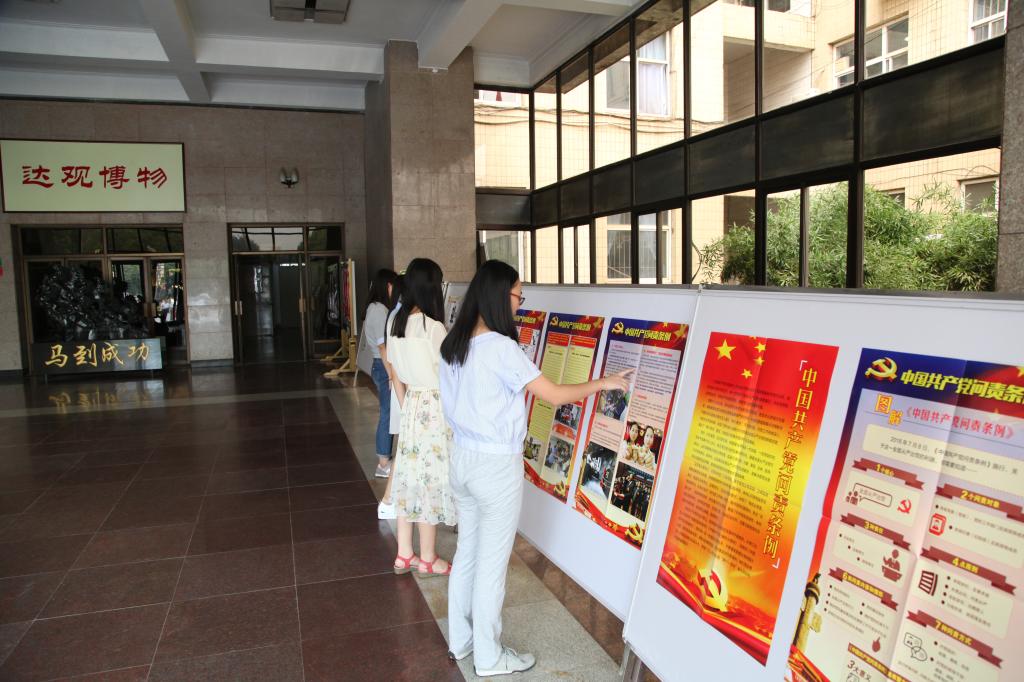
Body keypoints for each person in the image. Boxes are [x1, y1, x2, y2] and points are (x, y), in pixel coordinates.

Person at [439, 259, 631, 677]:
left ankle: (461, 640)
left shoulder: (454, 344)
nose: (519, 303)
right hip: (494, 467)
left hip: (462, 460)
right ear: (499, 295)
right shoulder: (501, 348)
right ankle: (489, 657)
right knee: (491, 565)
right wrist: (604, 383)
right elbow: (555, 395)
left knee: (467, 552)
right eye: (518, 295)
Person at [385, 258, 456, 577]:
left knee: (408, 478)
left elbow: (394, 371)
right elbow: (450, 373)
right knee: (430, 480)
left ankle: (404, 554)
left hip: (411, 404)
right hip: (434, 408)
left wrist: (406, 406)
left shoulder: (396, 323)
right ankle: (428, 558)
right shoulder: (433, 327)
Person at [363, 269, 400, 479]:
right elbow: (382, 346)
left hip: (381, 365)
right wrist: (391, 375)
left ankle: (385, 459)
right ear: (387, 285)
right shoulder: (378, 310)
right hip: (383, 365)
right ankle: (383, 463)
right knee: (387, 413)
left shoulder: (377, 308)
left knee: (388, 412)